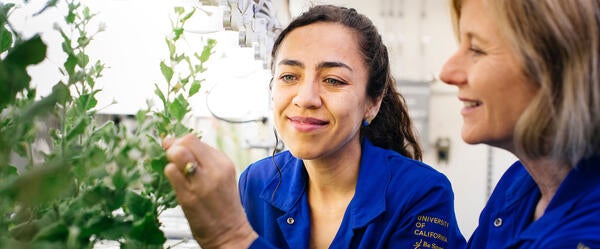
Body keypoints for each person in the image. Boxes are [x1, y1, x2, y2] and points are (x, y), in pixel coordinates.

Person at [163, 4, 466, 249]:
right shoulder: (256, 183)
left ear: (372, 102)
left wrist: (233, 239)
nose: (305, 98)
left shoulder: (421, 193)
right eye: (289, 76)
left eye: (333, 80)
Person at [439, 0, 600, 248]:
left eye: (477, 49)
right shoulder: (520, 183)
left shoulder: (584, 235)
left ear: (558, 67)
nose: (447, 73)